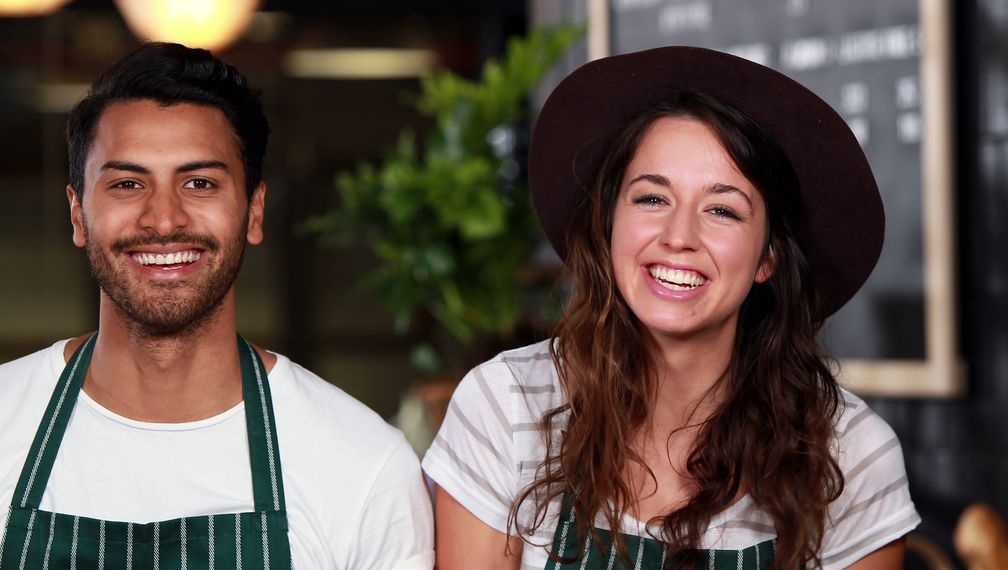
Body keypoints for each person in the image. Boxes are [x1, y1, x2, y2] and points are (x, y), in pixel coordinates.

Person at [422, 46, 920, 569]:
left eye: (722, 210)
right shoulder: (508, 406)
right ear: (609, 223)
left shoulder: (848, 455)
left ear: (767, 257)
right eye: (652, 199)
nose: (679, 236)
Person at [0, 43, 433, 569]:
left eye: (200, 183)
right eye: (127, 183)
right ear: (78, 214)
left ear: (253, 212)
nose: (163, 220)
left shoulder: (364, 467)